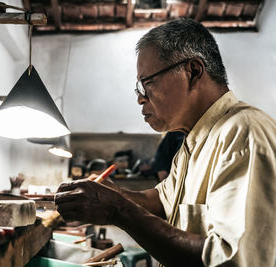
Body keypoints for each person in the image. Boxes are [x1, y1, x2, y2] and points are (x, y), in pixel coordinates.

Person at [55, 18, 276, 267]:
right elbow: (161, 201)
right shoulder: (190, 145)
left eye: (147, 83)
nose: (140, 99)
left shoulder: (243, 133)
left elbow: (231, 259)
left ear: (192, 72)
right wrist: (110, 194)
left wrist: (118, 210)